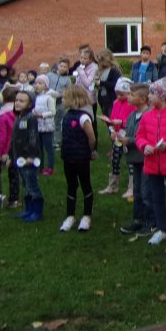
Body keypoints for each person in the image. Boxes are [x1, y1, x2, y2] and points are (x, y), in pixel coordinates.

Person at [137, 80, 166, 246]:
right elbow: (140, 135)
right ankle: (161, 229)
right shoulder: (147, 116)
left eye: (152, 93)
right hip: (152, 165)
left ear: (163, 96)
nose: (149, 96)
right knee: (156, 198)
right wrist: (144, 146)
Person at [118, 84, 156, 237]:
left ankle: (151, 222)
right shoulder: (132, 115)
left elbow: (148, 136)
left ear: (142, 99)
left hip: (145, 158)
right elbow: (129, 131)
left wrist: (130, 140)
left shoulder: (149, 114)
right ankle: (138, 220)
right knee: (137, 191)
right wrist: (120, 136)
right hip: (134, 158)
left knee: (146, 191)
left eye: (132, 95)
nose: (128, 97)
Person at [58, 85, 97, 232]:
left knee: (85, 184)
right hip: (68, 156)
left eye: (64, 97)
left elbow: (91, 138)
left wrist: (90, 151)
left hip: (81, 157)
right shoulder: (66, 115)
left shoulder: (84, 117)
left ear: (74, 99)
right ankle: (70, 215)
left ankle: (87, 216)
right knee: (71, 185)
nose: (62, 100)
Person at [10, 88, 45, 223]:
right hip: (20, 158)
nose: (18, 103)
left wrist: (31, 156)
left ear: (30, 104)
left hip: (29, 158)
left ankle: (37, 211)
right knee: (25, 184)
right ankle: (28, 209)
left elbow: (33, 137)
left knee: (32, 184)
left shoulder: (30, 118)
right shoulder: (19, 117)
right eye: (16, 100)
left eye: (22, 101)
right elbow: (15, 138)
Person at [99, 77, 134, 195]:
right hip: (117, 135)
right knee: (115, 160)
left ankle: (132, 187)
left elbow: (133, 121)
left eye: (121, 94)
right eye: (117, 94)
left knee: (130, 161)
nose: (119, 96)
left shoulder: (131, 104)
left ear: (128, 93)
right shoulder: (116, 103)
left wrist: (122, 123)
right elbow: (113, 118)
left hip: (127, 135)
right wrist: (112, 128)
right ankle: (113, 185)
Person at [0, 84, 21, 209]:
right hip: (17, 148)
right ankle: (14, 200)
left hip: (6, 151)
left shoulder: (3, 115)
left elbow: (2, 137)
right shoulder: (20, 113)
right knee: (14, 174)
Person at [30, 75, 56, 178]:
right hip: (37, 125)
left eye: (40, 83)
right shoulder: (35, 97)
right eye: (36, 83)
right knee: (38, 147)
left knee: (48, 147)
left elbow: (53, 112)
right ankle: (40, 166)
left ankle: (50, 167)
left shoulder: (49, 98)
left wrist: (42, 115)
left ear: (46, 86)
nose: (37, 85)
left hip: (47, 126)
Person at [73, 46, 98, 122]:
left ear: (90, 59)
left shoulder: (94, 67)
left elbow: (88, 83)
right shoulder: (81, 66)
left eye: (85, 58)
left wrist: (81, 72)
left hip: (89, 98)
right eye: (81, 58)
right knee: (79, 118)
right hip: (79, 96)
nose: (82, 60)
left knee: (90, 119)